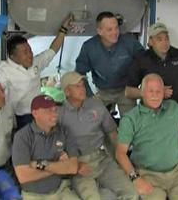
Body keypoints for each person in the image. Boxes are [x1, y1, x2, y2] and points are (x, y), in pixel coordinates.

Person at [59, 71, 139, 200]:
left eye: (83, 84)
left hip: (101, 159)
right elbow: (55, 147)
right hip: (78, 163)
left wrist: (122, 160)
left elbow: (112, 133)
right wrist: (74, 166)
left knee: (131, 192)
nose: (82, 88)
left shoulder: (95, 104)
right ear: (67, 91)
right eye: (77, 86)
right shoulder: (59, 114)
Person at [0, 14, 73, 130]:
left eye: (30, 50)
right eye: (25, 52)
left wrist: (63, 29)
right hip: (22, 116)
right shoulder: (3, 72)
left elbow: (53, 50)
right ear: (12, 57)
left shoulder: (35, 62)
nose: (30, 55)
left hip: (41, 109)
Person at [75, 11, 144, 117]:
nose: (115, 32)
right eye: (109, 29)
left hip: (126, 90)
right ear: (100, 31)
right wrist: (90, 95)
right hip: (103, 92)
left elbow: (145, 62)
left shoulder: (129, 41)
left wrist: (140, 85)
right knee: (93, 121)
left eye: (116, 28)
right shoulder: (89, 47)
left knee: (132, 123)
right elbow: (79, 73)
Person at [12, 94, 80, 200]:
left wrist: (40, 164)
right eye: (48, 110)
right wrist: (60, 166)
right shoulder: (22, 136)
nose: (54, 114)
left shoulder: (63, 131)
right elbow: (23, 176)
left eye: (55, 110)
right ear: (35, 113)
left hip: (60, 190)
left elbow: (73, 167)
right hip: (33, 195)